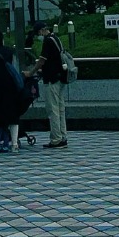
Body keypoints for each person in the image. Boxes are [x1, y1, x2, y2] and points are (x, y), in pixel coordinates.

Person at [33, 20, 67, 149]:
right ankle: (63, 137)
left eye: (38, 33)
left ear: (41, 30)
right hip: (60, 77)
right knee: (60, 108)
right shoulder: (56, 38)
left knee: (52, 110)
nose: (38, 36)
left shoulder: (47, 41)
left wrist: (31, 72)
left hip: (52, 79)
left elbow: (42, 60)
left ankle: (56, 139)